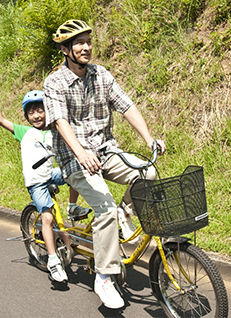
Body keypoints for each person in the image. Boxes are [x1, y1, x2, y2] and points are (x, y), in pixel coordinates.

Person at [43, 19, 166, 309]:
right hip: (75, 158)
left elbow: (126, 106)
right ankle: (105, 276)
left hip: (107, 150)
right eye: (79, 43)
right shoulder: (54, 83)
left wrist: (149, 138)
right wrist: (81, 153)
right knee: (104, 208)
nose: (86, 47)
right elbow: (60, 121)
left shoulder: (101, 75)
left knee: (148, 172)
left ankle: (124, 214)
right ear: (65, 49)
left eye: (88, 41)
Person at [0, 79, 91, 283]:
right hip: (36, 181)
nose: (36, 115)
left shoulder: (55, 131)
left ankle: (72, 207)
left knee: (73, 171)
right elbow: (1, 120)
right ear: (27, 116)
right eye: (31, 112)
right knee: (47, 218)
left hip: (50, 174)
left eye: (40, 110)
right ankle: (53, 261)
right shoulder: (24, 132)